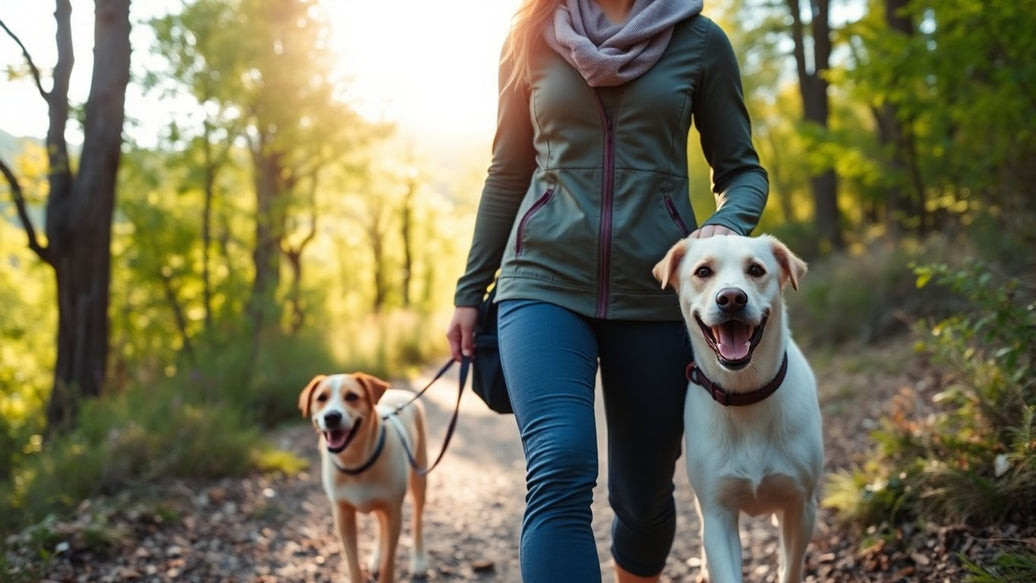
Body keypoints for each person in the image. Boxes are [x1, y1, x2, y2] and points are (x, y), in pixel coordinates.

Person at [446, 0, 767, 580]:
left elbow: (743, 170)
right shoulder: (531, 35)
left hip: (655, 295)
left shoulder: (698, 41)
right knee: (559, 465)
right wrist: (471, 291)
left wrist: (728, 224)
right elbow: (507, 171)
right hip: (541, 279)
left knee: (643, 498)